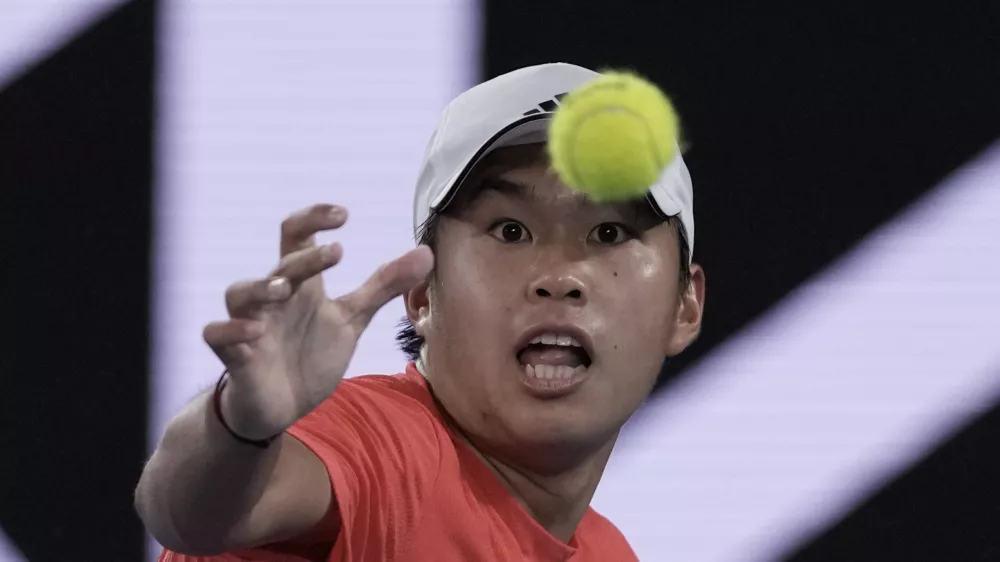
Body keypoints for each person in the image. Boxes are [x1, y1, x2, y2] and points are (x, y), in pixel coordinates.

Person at [135, 62, 706, 561]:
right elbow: (189, 516)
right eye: (510, 231)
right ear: (423, 295)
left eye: (609, 232)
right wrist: (240, 424)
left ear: (685, 306)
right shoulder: (381, 446)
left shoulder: (610, 554)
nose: (557, 277)